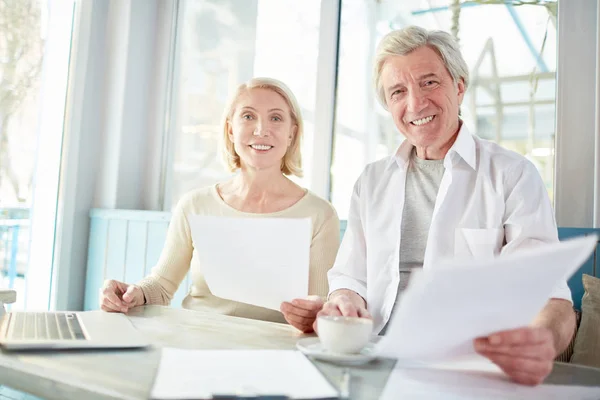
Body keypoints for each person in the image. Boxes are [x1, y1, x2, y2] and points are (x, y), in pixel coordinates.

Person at [315, 26, 576, 386]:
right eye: (398, 92)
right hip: (372, 359)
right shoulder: (371, 182)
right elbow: (350, 276)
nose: (416, 103)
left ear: (459, 86)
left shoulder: (513, 175)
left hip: (465, 370)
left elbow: (551, 297)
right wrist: (344, 298)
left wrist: (541, 342)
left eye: (429, 82)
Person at [99, 77, 339, 333]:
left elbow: (320, 305)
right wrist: (134, 294)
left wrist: (315, 315)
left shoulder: (319, 214)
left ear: (292, 132)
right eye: (248, 116)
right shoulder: (194, 205)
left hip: (277, 353)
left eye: (276, 118)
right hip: (197, 342)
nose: (261, 129)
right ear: (230, 130)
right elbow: (161, 286)